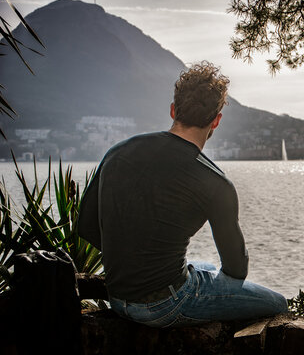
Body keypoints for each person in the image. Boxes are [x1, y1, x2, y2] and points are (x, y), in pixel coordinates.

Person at [77, 61, 288, 327]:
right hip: (164, 305)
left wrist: (133, 262)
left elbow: (86, 227)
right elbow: (236, 270)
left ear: (173, 110)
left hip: (117, 298)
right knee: (278, 304)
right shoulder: (214, 181)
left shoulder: (118, 151)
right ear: (216, 120)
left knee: (208, 268)